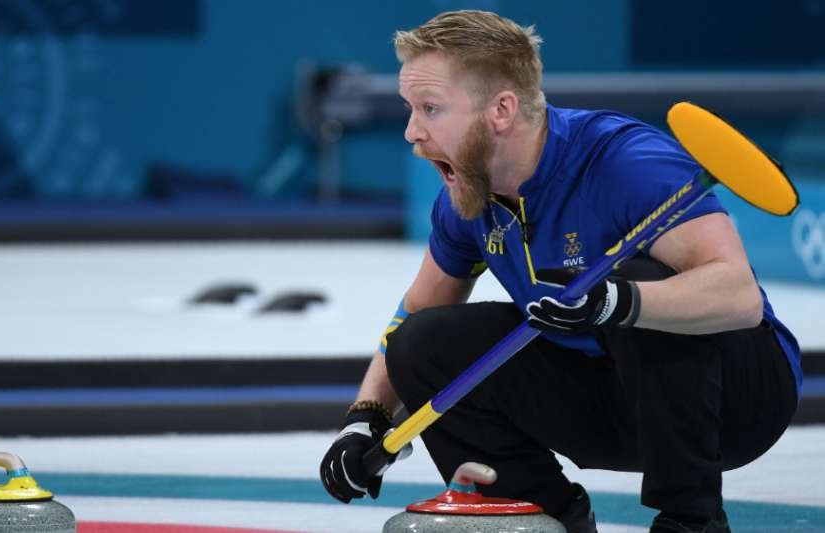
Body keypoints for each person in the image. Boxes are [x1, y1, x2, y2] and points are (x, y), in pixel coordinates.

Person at [318, 10, 802, 533]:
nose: (412, 132)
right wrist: (365, 419)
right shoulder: (466, 194)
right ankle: (547, 518)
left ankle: (692, 520)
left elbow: (739, 297)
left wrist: (615, 302)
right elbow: (418, 308)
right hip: (611, 399)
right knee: (421, 342)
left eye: (430, 109)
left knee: (642, 282)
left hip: (736, 403)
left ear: (501, 110)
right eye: (410, 108)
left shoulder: (625, 161)